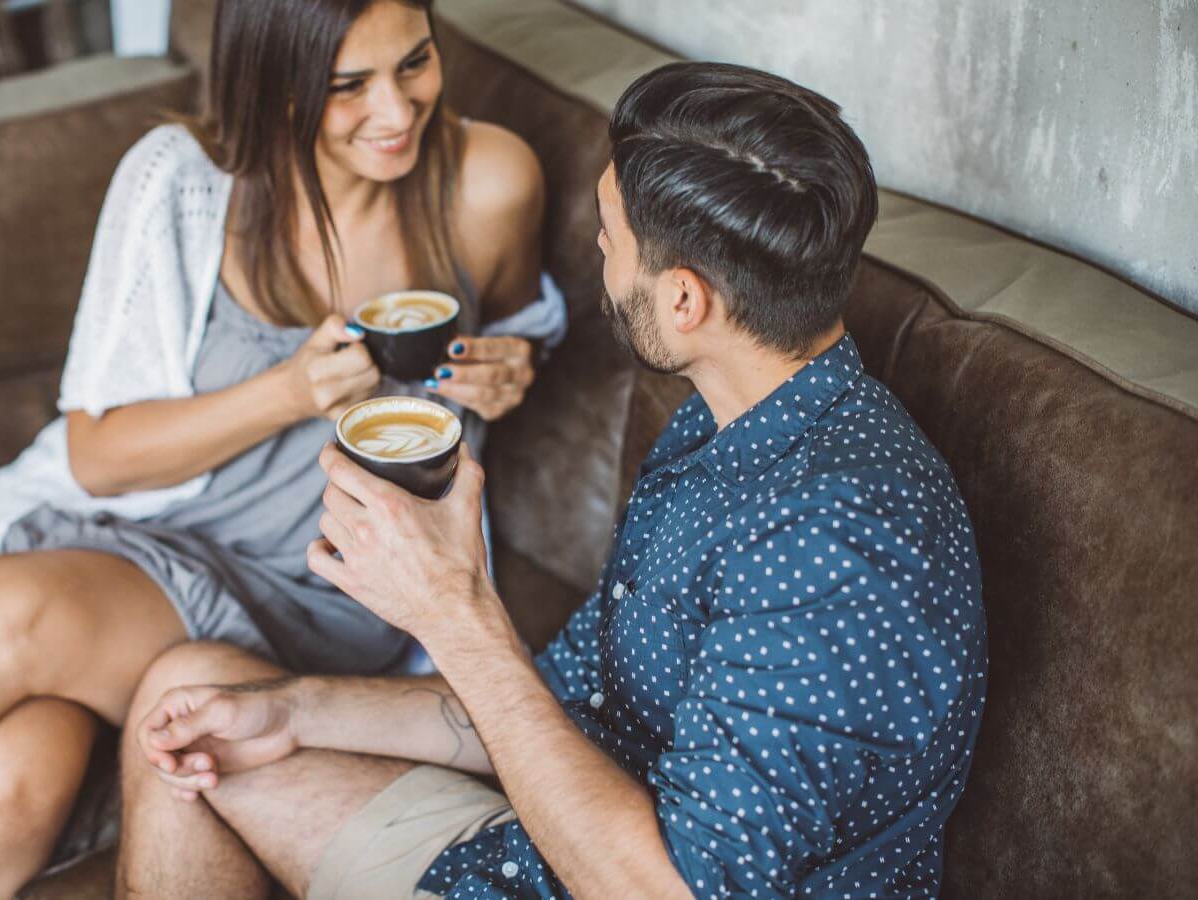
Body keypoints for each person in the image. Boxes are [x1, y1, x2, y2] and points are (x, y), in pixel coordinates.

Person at [118, 61, 989, 899]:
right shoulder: (730, 424)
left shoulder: (839, 538)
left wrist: (452, 613)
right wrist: (297, 713)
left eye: (610, 241)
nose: (599, 253)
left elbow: (673, 888)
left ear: (684, 303)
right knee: (196, 702)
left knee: (187, 737)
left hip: (606, 868)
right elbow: (566, 700)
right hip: (535, 846)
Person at [0, 0, 566, 897]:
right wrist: (284, 395)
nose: (396, 111)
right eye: (347, 86)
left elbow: (508, 339)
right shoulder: (181, 183)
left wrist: (512, 368)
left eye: (415, 63)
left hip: (329, 583)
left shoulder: (491, 181)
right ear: (270, 84)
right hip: (162, 540)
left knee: (8, 610)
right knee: (11, 778)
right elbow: (97, 457)